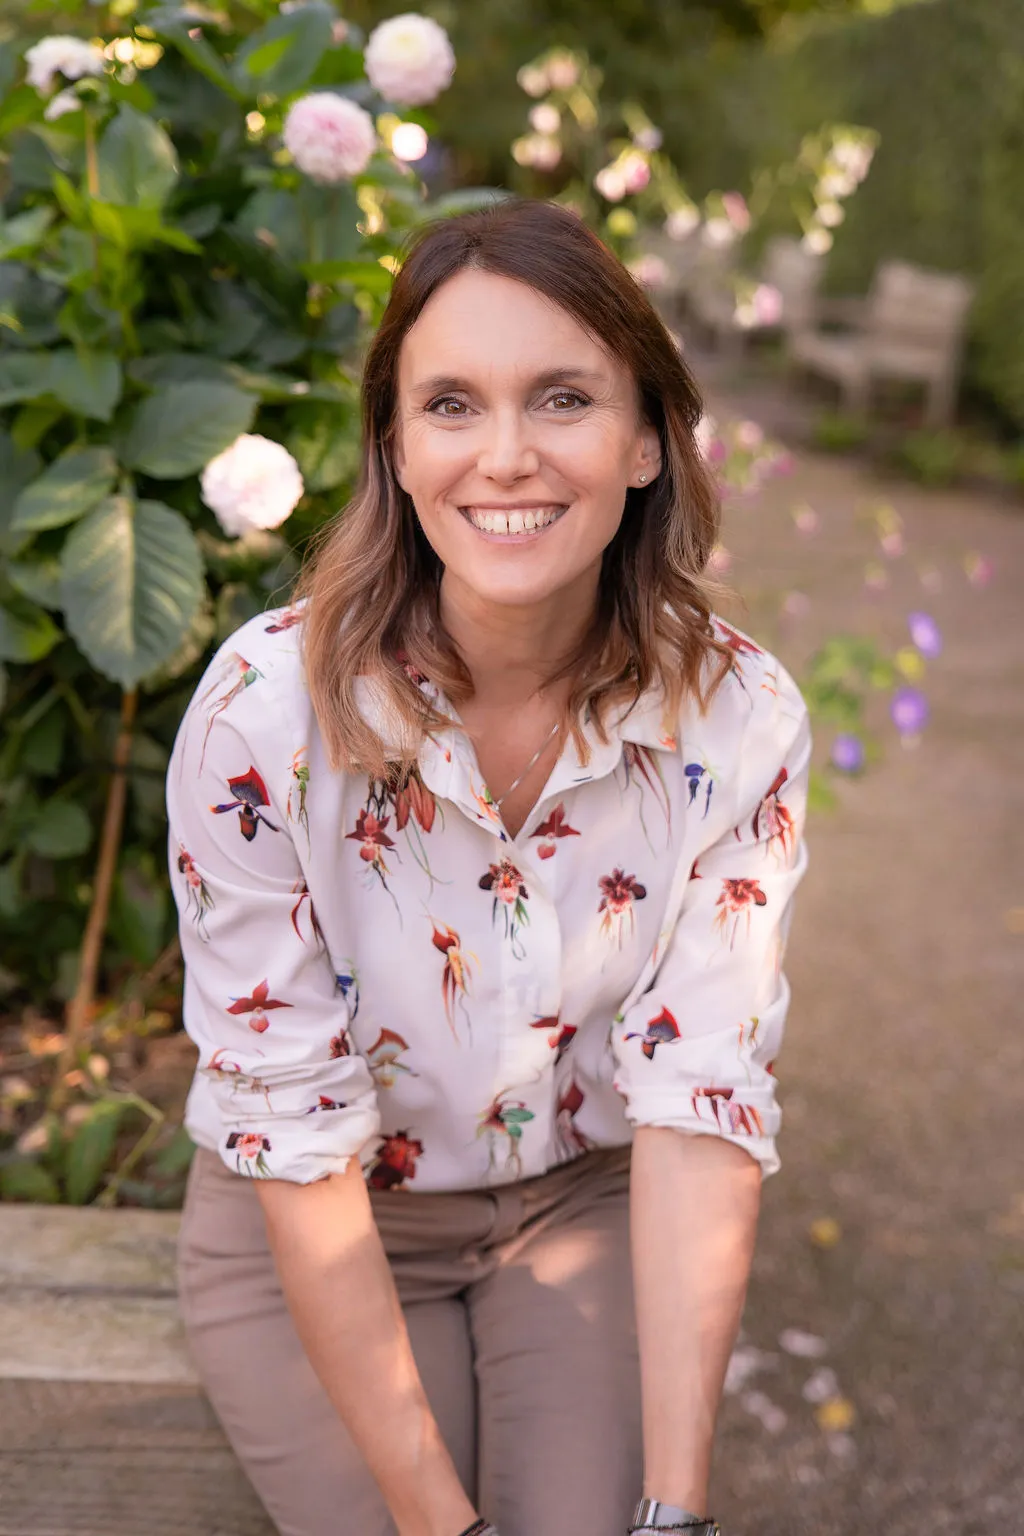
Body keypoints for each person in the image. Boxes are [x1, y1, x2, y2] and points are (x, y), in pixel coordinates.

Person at [167, 197, 810, 1536]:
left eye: (563, 398)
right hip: (325, 1216)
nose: (506, 457)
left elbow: (700, 1101)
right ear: (396, 448)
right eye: (451, 405)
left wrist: (675, 1515)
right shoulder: (262, 717)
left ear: (648, 439)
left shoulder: (739, 719)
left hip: (582, 1207)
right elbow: (292, 1133)